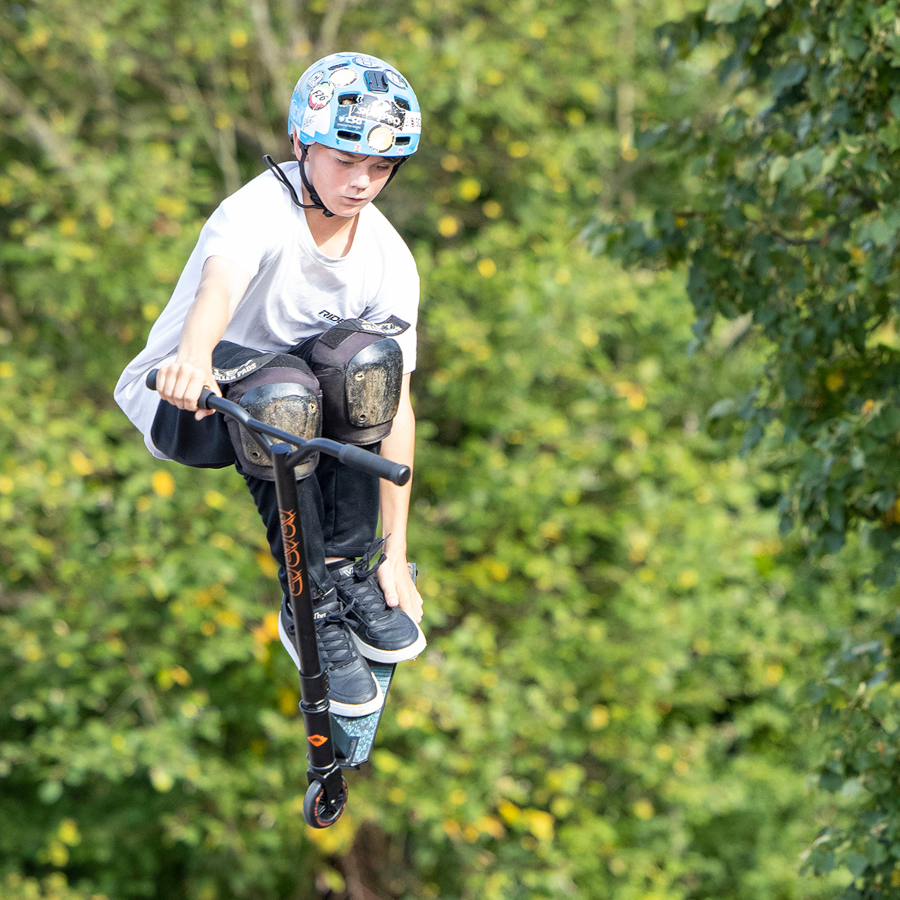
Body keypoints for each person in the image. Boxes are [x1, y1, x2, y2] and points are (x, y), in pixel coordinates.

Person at [115, 52, 426, 718]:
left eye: (380, 168)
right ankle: (307, 602)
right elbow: (218, 287)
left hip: (292, 402)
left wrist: (395, 552)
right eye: (345, 161)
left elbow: (395, 406)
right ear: (300, 143)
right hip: (184, 400)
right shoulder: (255, 211)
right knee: (284, 391)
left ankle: (347, 572)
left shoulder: (388, 258)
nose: (362, 183)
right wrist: (191, 359)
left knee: (368, 364)